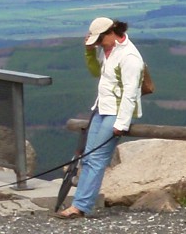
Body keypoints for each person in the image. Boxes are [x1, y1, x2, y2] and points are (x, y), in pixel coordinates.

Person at [55, 17, 145, 219]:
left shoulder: (130, 57)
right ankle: (79, 203)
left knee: (96, 158)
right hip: (101, 108)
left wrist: (122, 123)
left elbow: (130, 92)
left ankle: (80, 206)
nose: (97, 44)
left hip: (116, 112)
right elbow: (96, 72)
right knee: (87, 158)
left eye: (99, 40)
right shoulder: (109, 51)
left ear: (111, 33)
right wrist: (89, 52)